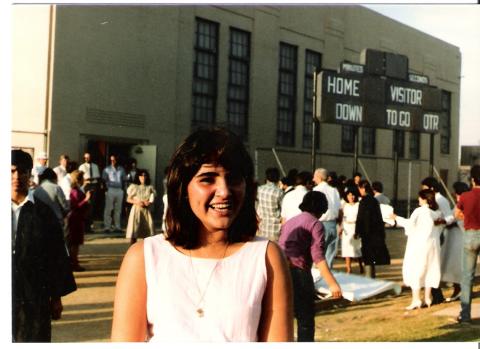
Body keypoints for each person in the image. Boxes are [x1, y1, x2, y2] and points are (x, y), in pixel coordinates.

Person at [111, 128, 293, 342]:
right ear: (182, 188)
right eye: (208, 179)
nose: (224, 191)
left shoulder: (266, 257)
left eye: (233, 178)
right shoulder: (144, 257)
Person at [11, 149, 77, 342]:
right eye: (11, 170)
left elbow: (56, 255)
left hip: (34, 293)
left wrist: (56, 297)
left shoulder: (43, 213)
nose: (16, 176)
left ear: (29, 173)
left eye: (22, 171)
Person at [279, 191, 342, 341]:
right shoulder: (315, 224)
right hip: (298, 272)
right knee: (305, 319)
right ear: (322, 208)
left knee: (285, 316)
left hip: (281, 270)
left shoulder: (291, 221)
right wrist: (333, 284)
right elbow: (318, 257)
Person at [391, 189, 443, 310]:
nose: (418, 200)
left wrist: (396, 218)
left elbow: (409, 225)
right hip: (433, 246)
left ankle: (416, 299)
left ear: (424, 199)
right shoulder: (435, 213)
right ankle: (427, 298)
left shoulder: (419, 211)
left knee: (416, 270)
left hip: (419, 246)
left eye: (420, 198)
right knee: (430, 269)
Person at [421, 176, 454, 305]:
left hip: (437, 235)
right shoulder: (435, 199)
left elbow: (449, 217)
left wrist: (439, 221)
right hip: (431, 234)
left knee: (432, 265)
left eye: (425, 189)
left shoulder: (441, 200)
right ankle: (436, 294)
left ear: (432, 188)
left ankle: (436, 295)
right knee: (429, 265)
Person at [454, 165, 480, 324]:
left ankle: (465, 315)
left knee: (467, 277)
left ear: (472, 179)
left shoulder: (465, 196)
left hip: (470, 234)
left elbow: (457, 215)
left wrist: (466, 215)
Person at [440, 181, 470, 303]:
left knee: (457, 265)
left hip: (459, 239)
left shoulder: (462, 204)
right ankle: (458, 289)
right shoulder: (460, 203)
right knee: (455, 265)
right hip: (455, 238)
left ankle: (460, 290)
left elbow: (456, 219)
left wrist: (449, 222)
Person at [354, 180, 390, 278]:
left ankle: (369, 277)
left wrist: (357, 231)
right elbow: (379, 217)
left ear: (362, 188)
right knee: (373, 257)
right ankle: (372, 276)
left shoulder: (363, 201)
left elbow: (360, 218)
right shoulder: (374, 200)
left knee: (367, 257)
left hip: (366, 234)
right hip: (376, 232)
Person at [313, 168, 341, 268]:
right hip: (333, 224)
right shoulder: (334, 190)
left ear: (319, 177)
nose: (313, 179)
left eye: (315, 177)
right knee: (330, 253)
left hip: (320, 223)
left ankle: (318, 275)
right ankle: (328, 274)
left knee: (318, 253)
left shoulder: (316, 190)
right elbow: (339, 208)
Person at [67, 170, 92, 272]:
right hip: (75, 218)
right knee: (75, 243)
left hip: (78, 218)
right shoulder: (75, 191)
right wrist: (86, 199)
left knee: (75, 243)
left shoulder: (76, 190)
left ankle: (74, 262)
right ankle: (74, 263)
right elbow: (75, 206)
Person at [125, 169, 156, 245]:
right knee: (134, 231)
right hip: (136, 210)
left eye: (145, 175)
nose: (143, 177)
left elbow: (152, 198)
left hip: (145, 211)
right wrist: (137, 202)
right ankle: (132, 249)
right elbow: (128, 199)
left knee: (147, 232)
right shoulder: (134, 187)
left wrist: (148, 202)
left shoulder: (149, 188)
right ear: (138, 177)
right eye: (141, 175)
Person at [339, 187, 363, 274]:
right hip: (346, 228)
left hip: (355, 227)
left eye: (353, 195)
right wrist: (340, 229)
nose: (351, 197)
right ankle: (348, 268)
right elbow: (342, 218)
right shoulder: (344, 205)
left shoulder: (358, 205)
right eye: (349, 195)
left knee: (357, 249)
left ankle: (361, 265)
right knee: (347, 249)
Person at [257, 167, 284, 241]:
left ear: (266, 177)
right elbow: (283, 211)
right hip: (275, 230)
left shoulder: (259, 189)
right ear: (278, 178)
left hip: (262, 228)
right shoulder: (279, 192)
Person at [103, 154, 126, 232]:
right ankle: (107, 227)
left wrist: (123, 190)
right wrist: (106, 190)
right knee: (108, 209)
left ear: (117, 160)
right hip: (110, 189)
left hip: (119, 190)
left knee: (118, 209)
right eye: (111, 160)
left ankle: (117, 227)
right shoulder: (107, 169)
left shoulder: (121, 169)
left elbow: (124, 180)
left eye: (114, 160)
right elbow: (103, 180)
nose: (112, 161)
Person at [79, 152, 101, 232]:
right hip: (86, 186)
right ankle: (84, 226)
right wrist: (87, 180)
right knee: (86, 205)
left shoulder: (95, 166)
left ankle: (90, 226)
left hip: (94, 185)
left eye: (88, 157)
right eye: (85, 158)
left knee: (92, 206)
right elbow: (80, 178)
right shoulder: (82, 166)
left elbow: (98, 177)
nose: (87, 159)